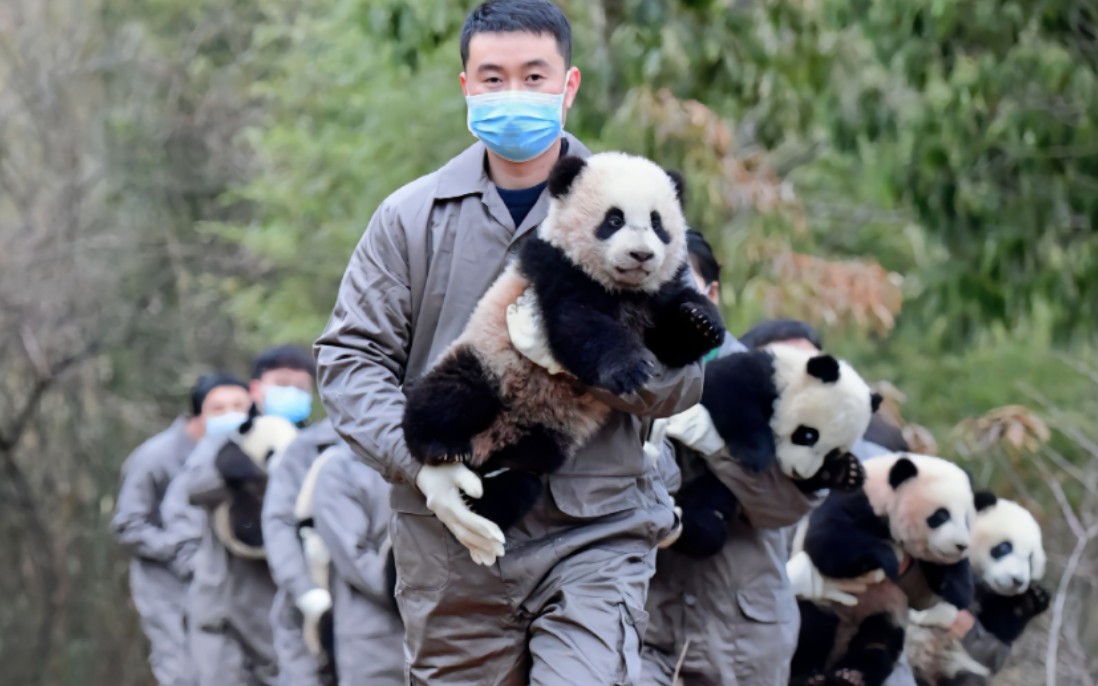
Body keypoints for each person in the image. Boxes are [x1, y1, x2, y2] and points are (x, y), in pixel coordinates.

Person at [313, 2, 697, 682]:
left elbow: (688, 377)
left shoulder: (642, 206)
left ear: (568, 86)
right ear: (465, 86)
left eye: (533, 75)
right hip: (451, 541)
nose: (513, 94)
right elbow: (350, 361)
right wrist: (420, 461)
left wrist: (597, 360)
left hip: (594, 531)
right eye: (493, 78)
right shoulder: (408, 218)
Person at [640, 232, 826, 686]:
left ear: (713, 293)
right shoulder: (623, 376)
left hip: (744, 639)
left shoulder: (778, 381)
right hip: (647, 629)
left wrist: (716, 443)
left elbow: (789, 502)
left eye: (683, 278)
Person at [739, 319, 918, 686]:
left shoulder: (878, 454)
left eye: (813, 365)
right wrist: (789, 584)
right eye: (785, 365)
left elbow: (921, 584)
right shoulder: (724, 456)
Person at [162, 344, 317, 686]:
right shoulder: (225, 442)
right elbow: (190, 491)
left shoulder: (315, 444)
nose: (291, 393)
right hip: (223, 606)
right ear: (257, 389)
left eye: (301, 387)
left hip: (289, 600)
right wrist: (241, 467)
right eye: (282, 383)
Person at [112, 373, 251, 686]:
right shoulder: (155, 456)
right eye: (219, 408)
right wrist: (181, 551)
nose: (230, 415)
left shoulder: (246, 451)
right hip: (166, 586)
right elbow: (128, 523)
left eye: (238, 406)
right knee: (182, 671)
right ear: (199, 413)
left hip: (223, 583)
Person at [310, 444, 404, 685]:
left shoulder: (432, 459)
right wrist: (414, 593)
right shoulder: (339, 469)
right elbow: (355, 559)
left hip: (435, 629)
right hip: (372, 639)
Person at [262, 417, 341, 686]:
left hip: (379, 607)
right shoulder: (304, 448)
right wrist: (305, 590)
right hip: (309, 601)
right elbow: (279, 522)